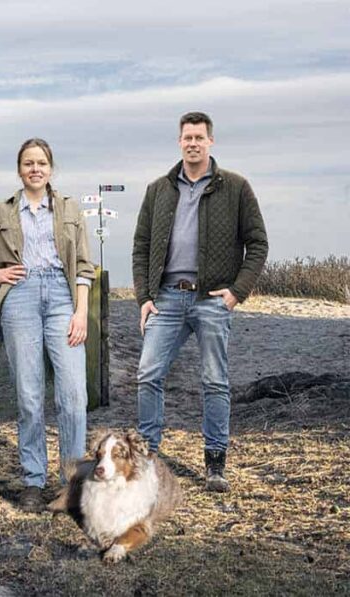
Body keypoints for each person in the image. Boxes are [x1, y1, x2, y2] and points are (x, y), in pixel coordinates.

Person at [132, 111, 268, 492]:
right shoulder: (158, 189)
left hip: (212, 299)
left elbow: (257, 243)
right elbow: (141, 246)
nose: (193, 143)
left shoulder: (236, 187)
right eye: (187, 137)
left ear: (211, 141)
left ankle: (215, 465)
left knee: (214, 381)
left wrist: (237, 291)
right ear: (179, 142)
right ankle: (147, 458)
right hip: (166, 298)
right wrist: (144, 296)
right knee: (147, 374)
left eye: (199, 137)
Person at [0, 138, 95, 513]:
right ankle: (33, 481)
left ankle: (73, 484)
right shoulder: (0, 212)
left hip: (62, 298)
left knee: (73, 394)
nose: (35, 168)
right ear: (19, 170)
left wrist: (81, 312)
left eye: (41, 162)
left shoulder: (69, 209)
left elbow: (84, 266)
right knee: (30, 395)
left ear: (51, 168)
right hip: (18, 296)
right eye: (28, 163)